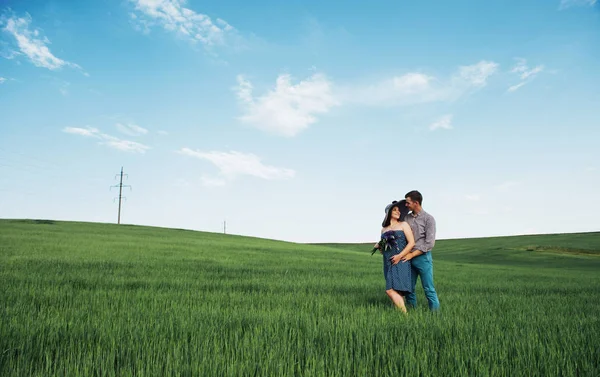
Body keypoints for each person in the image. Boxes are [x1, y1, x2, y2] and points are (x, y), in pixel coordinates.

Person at [401, 190, 440, 311]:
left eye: (408, 203)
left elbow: (429, 243)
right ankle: (412, 313)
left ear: (416, 203)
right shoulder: (406, 218)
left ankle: (435, 316)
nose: (406, 205)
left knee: (428, 288)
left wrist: (412, 254)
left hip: (422, 258)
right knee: (409, 289)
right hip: (408, 258)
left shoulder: (428, 219)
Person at [374, 200, 416, 313]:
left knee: (389, 290)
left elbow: (411, 243)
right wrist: (379, 246)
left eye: (399, 210)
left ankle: (405, 316)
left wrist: (399, 256)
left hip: (400, 259)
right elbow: (384, 250)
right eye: (395, 210)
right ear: (388, 212)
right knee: (396, 290)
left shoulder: (403, 225)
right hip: (388, 261)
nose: (398, 212)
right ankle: (397, 316)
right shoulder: (384, 229)